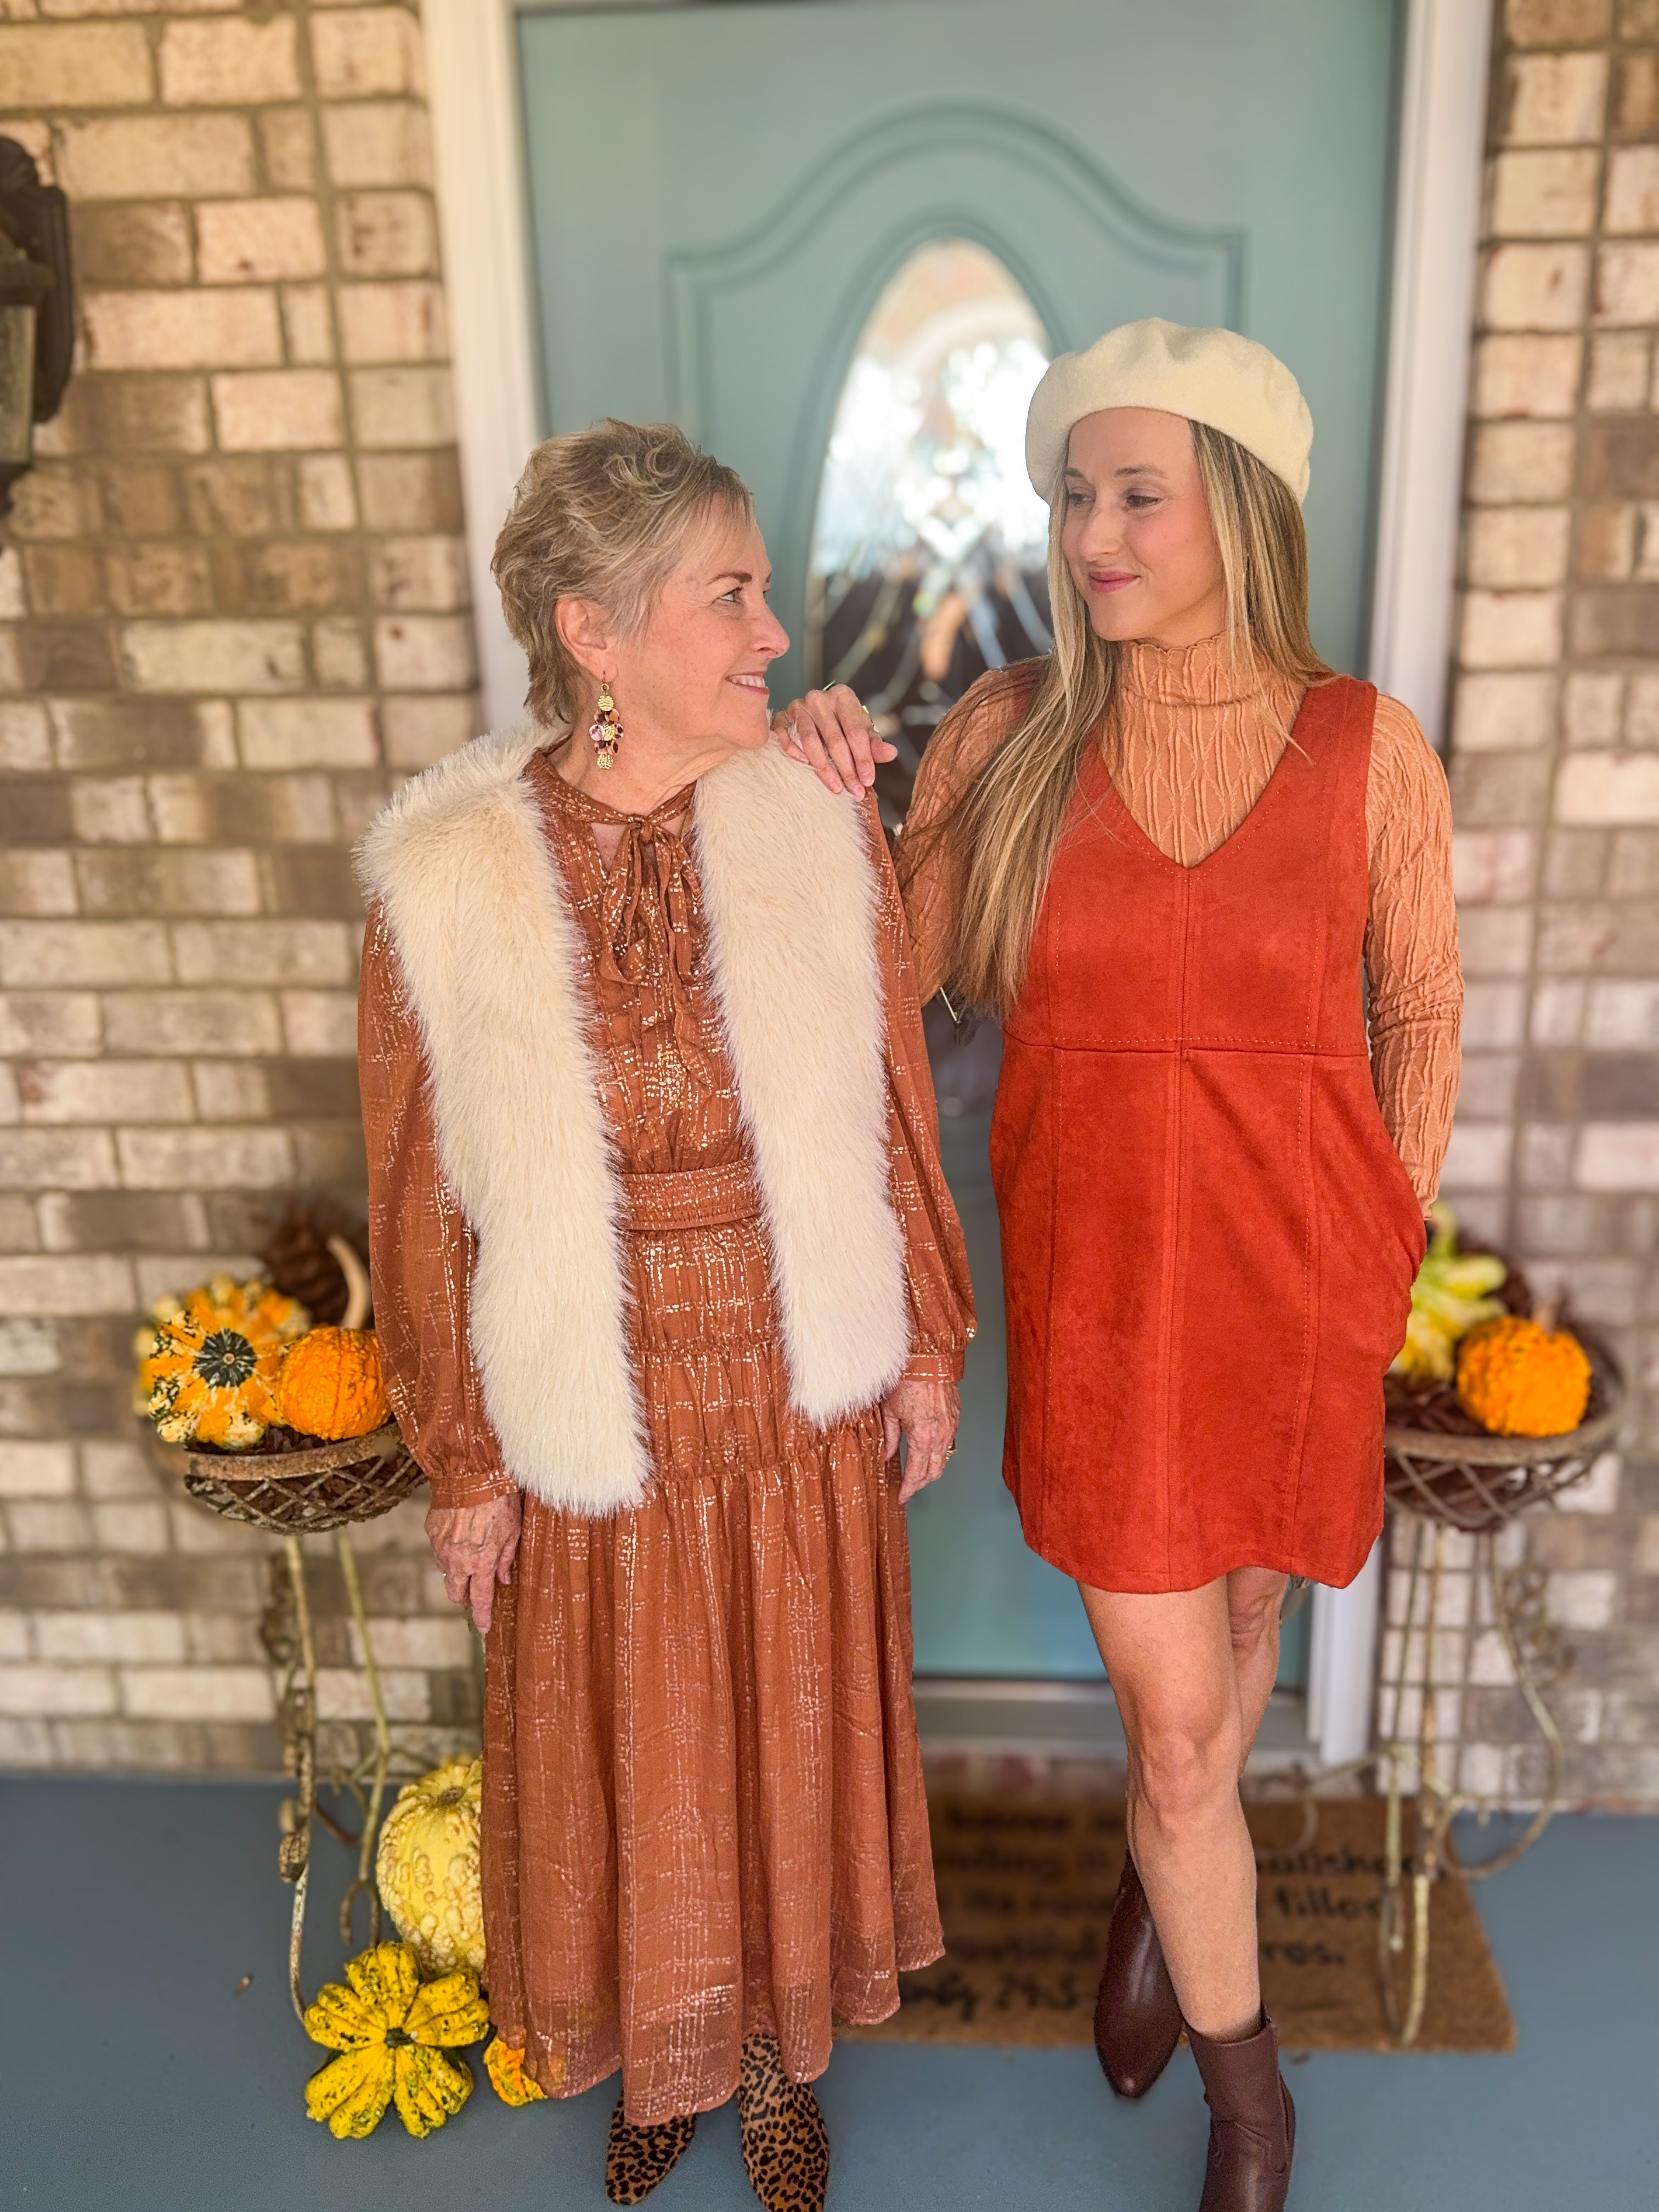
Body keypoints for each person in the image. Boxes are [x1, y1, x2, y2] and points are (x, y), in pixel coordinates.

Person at [776, 319, 1460, 2212]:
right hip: (1104, 1315)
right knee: (1177, 1733)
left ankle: (1167, 1882)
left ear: (1241, 510)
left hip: (1301, 1294)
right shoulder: (1010, 736)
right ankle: (1255, 2109)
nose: (1089, 535)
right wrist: (807, 798)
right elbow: (878, 985)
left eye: (1136, 496)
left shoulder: (1368, 748)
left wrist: (1380, 1259)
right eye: (1075, 495)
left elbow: (1420, 1019)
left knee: (1233, 1654)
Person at [357, 420, 973, 2211]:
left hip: (792, 1388)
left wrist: (929, 1335)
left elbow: (891, 1100)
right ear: (595, 634)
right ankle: (662, 2060)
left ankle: (773, 2062)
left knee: (779, 1735)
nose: (775, 633)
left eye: (763, 595)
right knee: (633, 1754)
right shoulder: (447, 876)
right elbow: (419, 1195)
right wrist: (463, 1462)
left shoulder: (810, 813)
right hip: (587, 1401)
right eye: (731, 598)